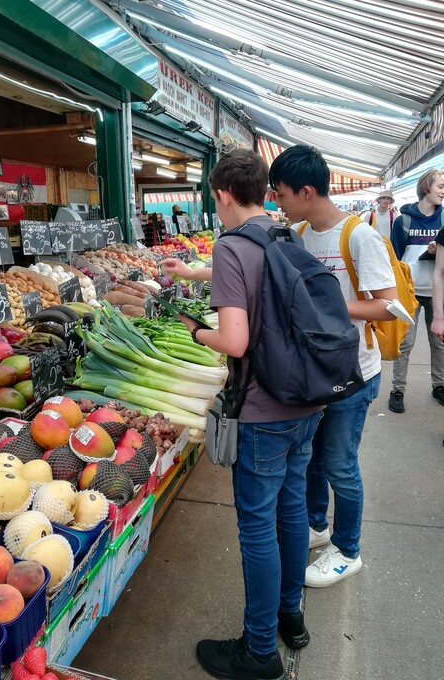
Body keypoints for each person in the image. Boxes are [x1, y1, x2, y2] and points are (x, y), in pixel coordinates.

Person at [176, 149, 323, 680]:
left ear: (220, 194)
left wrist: (198, 330)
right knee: (290, 513)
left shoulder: (231, 247)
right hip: (306, 402)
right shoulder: (285, 235)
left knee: (258, 529)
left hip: (262, 411)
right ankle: (290, 617)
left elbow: (235, 341)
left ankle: (260, 653)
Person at [268, 145, 397, 588]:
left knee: (340, 463)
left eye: (281, 194)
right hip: (316, 372)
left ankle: (348, 549)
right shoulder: (298, 232)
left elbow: (389, 308)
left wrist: (327, 307)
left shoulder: (359, 237)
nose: (277, 202)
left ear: (306, 191)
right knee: (313, 462)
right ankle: (317, 525)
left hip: (355, 373)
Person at [388, 168, 444, 413]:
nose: (443, 191)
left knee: (439, 343)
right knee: (405, 343)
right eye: (440, 186)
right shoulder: (404, 221)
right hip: (409, 292)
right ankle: (397, 390)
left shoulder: (443, 220)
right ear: (426, 188)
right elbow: (394, 258)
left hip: (438, 292)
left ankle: (439, 386)